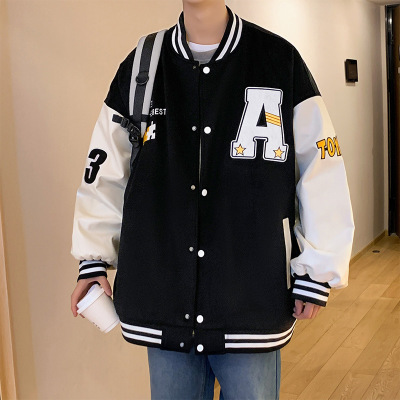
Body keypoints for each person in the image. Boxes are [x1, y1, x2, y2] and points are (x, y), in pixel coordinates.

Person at [70, 0, 355, 398]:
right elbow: (105, 170)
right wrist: (93, 259)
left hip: (250, 295)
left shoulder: (279, 60)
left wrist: (317, 271)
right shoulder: (142, 66)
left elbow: (321, 167)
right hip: (164, 295)